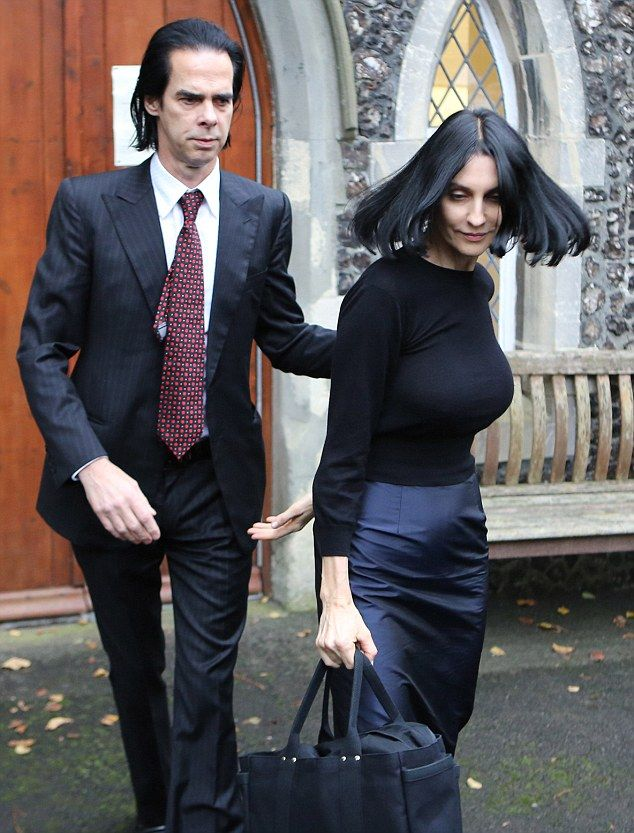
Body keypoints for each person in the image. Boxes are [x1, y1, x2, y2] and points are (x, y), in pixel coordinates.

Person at [17, 18, 333, 833]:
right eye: (190, 98)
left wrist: (386, 338)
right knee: (137, 672)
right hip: (112, 480)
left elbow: (285, 336)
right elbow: (41, 351)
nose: (210, 116)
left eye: (223, 100)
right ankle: (160, 811)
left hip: (215, 480)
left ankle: (207, 820)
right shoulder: (89, 205)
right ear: (153, 102)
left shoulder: (264, 211)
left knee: (205, 678)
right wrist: (91, 466)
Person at [250, 108, 589, 755]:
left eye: (493, 197)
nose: (477, 216)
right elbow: (345, 448)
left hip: (457, 542)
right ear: (432, 193)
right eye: (459, 195)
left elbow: (418, 410)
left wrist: (343, 486)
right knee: (374, 742)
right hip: (380, 551)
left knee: (436, 739)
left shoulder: (476, 287)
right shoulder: (384, 293)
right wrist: (335, 598)